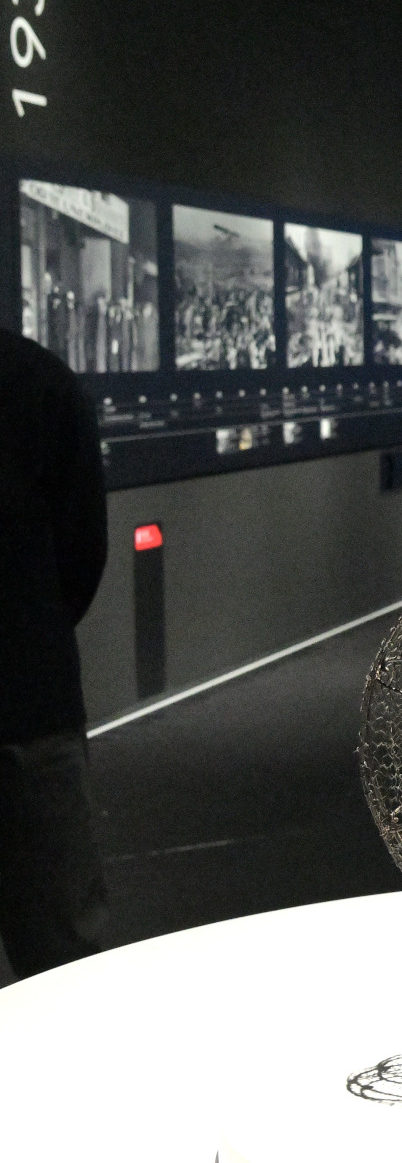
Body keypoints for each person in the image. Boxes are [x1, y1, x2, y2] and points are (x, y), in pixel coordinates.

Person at [0, 328, 109, 981]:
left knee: (64, 967)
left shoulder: (36, 384)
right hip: (31, 710)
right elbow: (80, 552)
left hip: (31, 720)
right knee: (62, 967)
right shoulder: (36, 379)